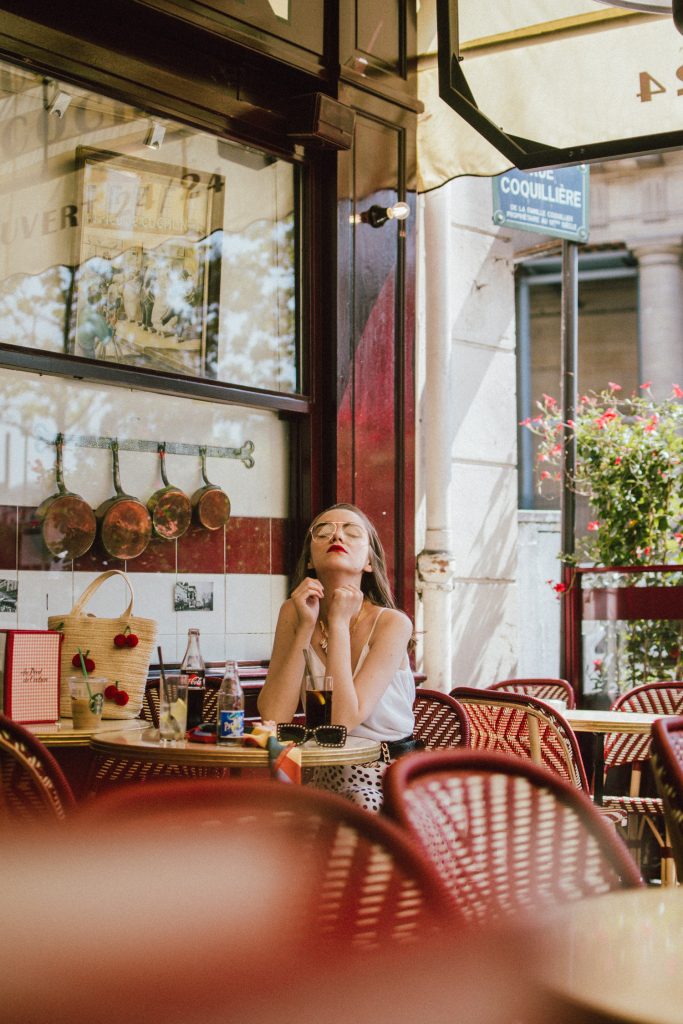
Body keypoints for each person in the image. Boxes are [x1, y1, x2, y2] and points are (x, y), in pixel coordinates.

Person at [258, 503, 417, 811]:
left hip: (385, 776)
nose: (337, 535)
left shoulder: (393, 623)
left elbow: (343, 720)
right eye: (323, 531)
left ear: (369, 561)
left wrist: (339, 624)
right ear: (310, 561)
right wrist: (305, 626)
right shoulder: (293, 612)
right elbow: (274, 716)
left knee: (354, 808)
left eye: (351, 531)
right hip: (320, 771)